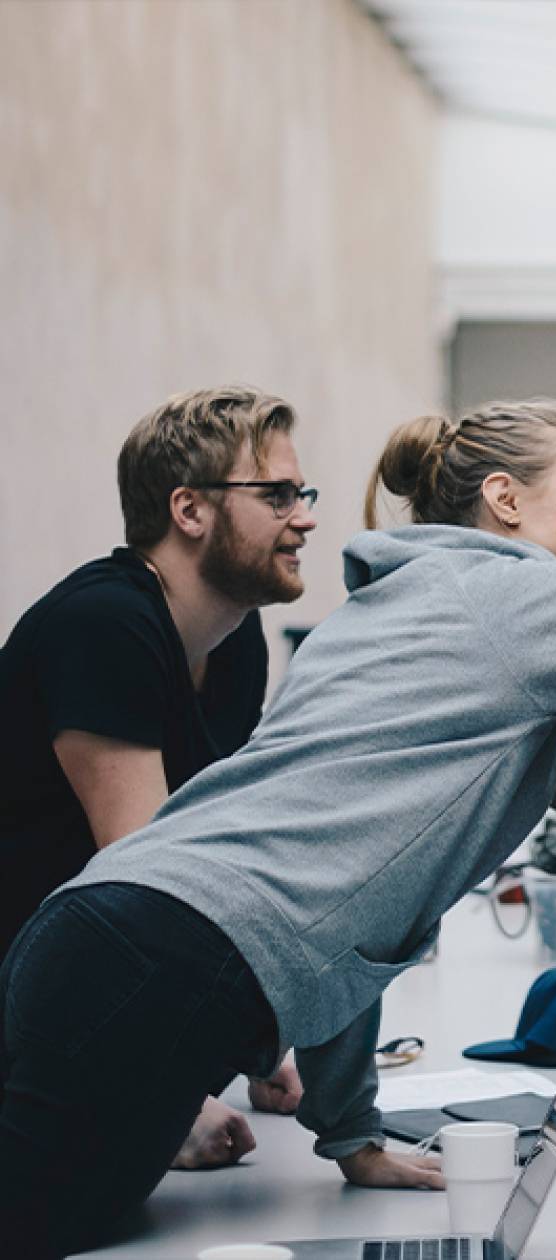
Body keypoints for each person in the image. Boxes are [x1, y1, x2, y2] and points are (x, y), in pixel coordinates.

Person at [0, 226, 556, 1257]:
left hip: (101, 937)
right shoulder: (507, 601)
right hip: (166, 966)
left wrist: (351, 1133)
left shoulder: (395, 610)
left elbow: (353, 916)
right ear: (505, 501)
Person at [0, 386, 313, 1173]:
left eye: (301, 494)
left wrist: (256, 1040)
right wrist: (165, 1098)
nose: (304, 517)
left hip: (78, 996)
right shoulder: (103, 625)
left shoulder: (235, 639)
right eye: (277, 495)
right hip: (31, 1022)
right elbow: (146, 890)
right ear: (190, 509)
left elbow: (219, 849)